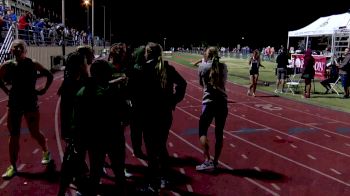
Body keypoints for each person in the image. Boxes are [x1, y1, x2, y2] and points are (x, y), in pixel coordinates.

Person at [134, 42, 186, 193]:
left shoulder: (143, 70)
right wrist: (174, 100)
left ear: (147, 54)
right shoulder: (167, 68)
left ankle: (154, 182)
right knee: (161, 146)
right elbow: (182, 84)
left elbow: (137, 93)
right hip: (164, 114)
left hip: (148, 114)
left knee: (151, 150)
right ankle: (165, 177)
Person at [0, 39, 53, 179]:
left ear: (25, 50)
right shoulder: (7, 65)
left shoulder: (32, 63)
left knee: (34, 132)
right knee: (14, 135)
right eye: (14, 47)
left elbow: (49, 75)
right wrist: (6, 90)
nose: (16, 49)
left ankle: (46, 151)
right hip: (14, 103)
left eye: (19, 47)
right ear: (11, 50)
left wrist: (44, 90)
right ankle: (13, 166)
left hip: (30, 102)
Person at [196, 46, 228, 171]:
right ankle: (215, 162)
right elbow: (224, 81)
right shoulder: (223, 66)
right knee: (219, 133)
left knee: (202, 131)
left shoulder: (202, 67)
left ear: (207, 55)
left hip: (208, 102)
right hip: (222, 103)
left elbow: (201, 84)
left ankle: (207, 160)